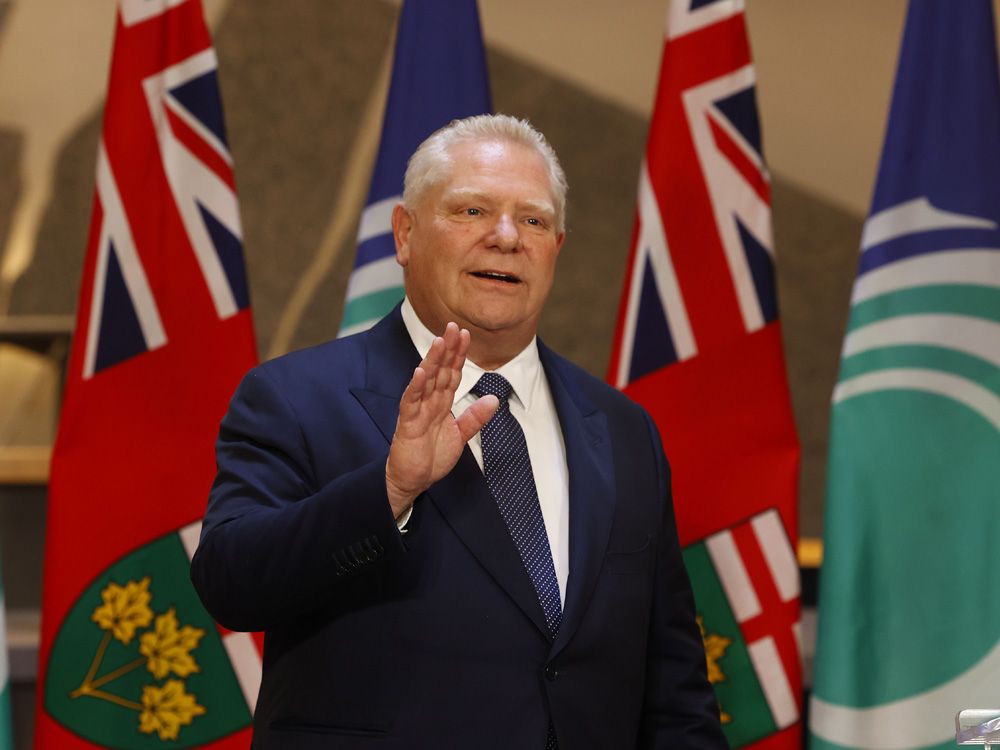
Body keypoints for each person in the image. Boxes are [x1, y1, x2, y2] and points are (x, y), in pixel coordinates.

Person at [191, 114, 727, 749]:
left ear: (557, 247)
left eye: (533, 220)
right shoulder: (295, 397)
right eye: (472, 210)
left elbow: (673, 680)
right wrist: (389, 490)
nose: (506, 237)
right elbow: (231, 585)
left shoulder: (621, 427)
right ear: (404, 234)